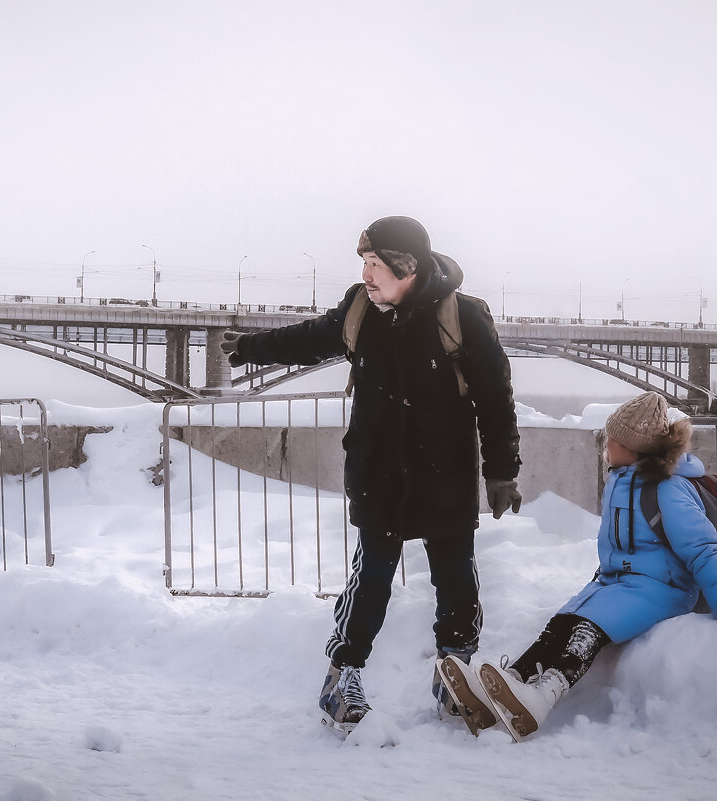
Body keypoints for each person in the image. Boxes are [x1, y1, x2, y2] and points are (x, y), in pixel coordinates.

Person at [219, 215, 523, 733]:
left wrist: (501, 471)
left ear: (406, 266)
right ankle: (344, 675)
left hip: (444, 473)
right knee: (372, 579)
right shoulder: (361, 308)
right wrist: (252, 350)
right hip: (378, 472)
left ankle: (455, 669)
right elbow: (311, 338)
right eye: (363, 261)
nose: (366, 272)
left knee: (456, 579)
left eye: (375, 262)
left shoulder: (461, 317)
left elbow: (495, 401)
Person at [438, 391, 717, 741]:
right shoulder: (622, 480)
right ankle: (510, 682)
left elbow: (702, 549)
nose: (607, 444)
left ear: (635, 448)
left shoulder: (669, 489)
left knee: (587, 631)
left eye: (615, 439)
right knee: (560, 626)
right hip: (619, 583)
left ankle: (543, 695)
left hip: (664, 588)